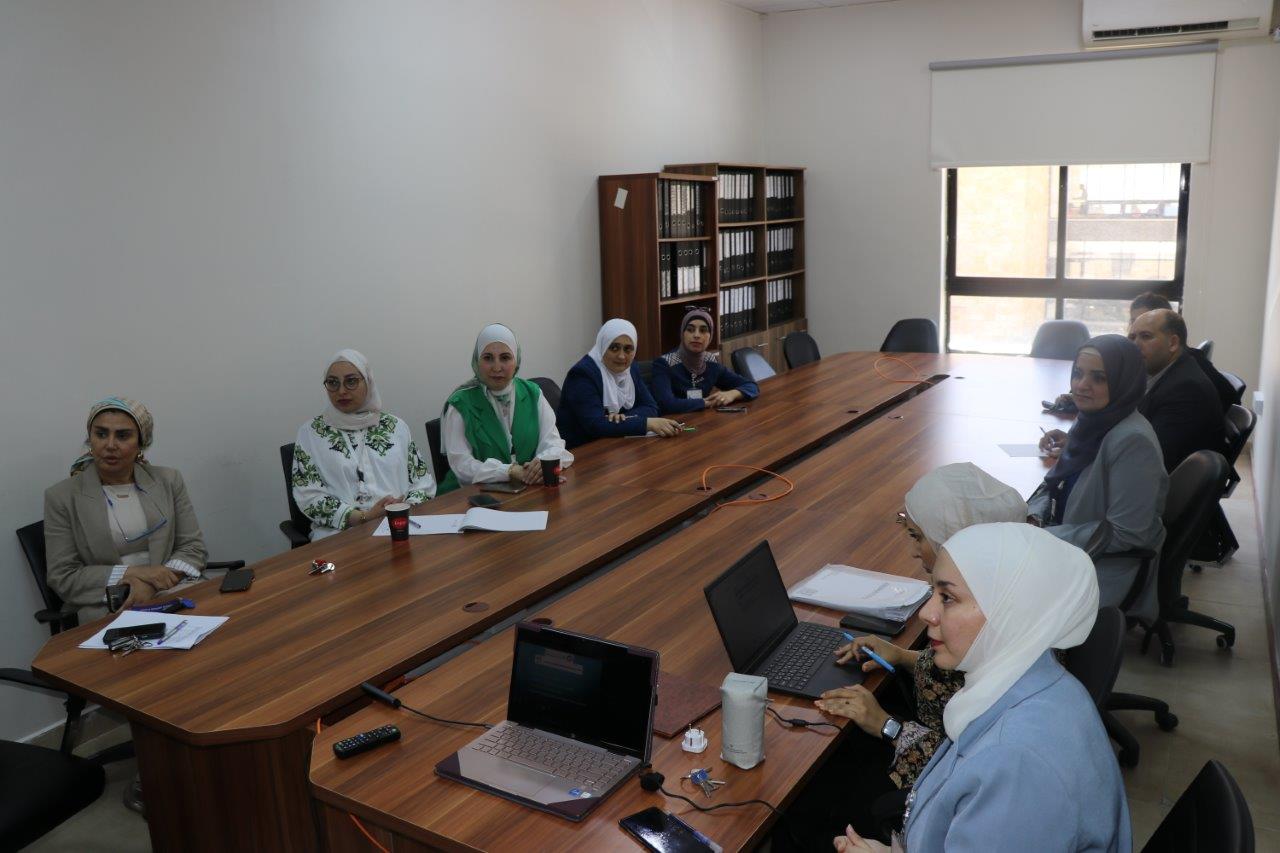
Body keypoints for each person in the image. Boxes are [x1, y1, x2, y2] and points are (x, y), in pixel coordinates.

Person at [833, 523, 1129, 853]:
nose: (927, 613)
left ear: (1008, 611)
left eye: (947, 597)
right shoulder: (1036, 681)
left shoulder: (1016, 764)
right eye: (933, 592)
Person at [784, 465, 1026, 846]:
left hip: (929, 779)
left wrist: (886, 725)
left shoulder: (991, 624)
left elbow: (963, 768)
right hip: (927, 733)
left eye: (917, 536)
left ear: (952, 538)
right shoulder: (1003, 596)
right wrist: (900, 656)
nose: (913, 549)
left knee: (810, 802)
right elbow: (959, 671)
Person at [1032, 335, 1166, 619]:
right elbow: (1062, 484)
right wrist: (1031, 518)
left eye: (1099, 378)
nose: (1081, 385)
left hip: (1100, 569)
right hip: (1072, 546)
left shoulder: (1133, 442)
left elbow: (1126, 533)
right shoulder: (1094, 420)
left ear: (1123, 382)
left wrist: (1042, 538)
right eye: (1077, 373)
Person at [44, 397, 208, 620]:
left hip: (174, 589)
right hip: (109, 604)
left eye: (122, 436)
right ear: (90, 438)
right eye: (101, 434)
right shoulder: (61, 497)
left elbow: (193, 548)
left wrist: (151, 585)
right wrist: (133, 575)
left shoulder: (169, 481)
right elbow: (63, 576)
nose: (110, 445)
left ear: (141, 443)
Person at [292, 349, 435, 539]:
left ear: (368, 381)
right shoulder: (311, 433)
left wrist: (401, 509)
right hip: (339, 534)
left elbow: (422, 484)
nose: (341, 391)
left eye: (351, 381)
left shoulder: (395, 427)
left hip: (400, 525)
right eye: (333, 383)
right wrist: (362, 518)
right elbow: (308, 495)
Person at [439, 324, 573, 493]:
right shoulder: (460, 403)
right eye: (488, 358)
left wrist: (540, 465)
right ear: (477, 361)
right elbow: (462, 466)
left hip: (526, 490)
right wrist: (509, 471)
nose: (497, 367)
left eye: (505, 357)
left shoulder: (533, 393)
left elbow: (553, 443)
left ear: (516, 360)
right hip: (469, 496)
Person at [555, 319, 681, 448]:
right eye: (614, 348)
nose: (621, 356)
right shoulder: (582, 374)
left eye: (628, 349)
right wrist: (646, 424)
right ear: (603, 345)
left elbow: (651, 407)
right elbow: (596, 425)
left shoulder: (631, 368)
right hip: (583, 450)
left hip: (617, 445)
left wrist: (623, 418)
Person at [1128, 309, 1226, 471]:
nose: (1135, 345)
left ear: (1173, 343)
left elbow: (1150, 457)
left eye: (1146, 336)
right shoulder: (1166, 371)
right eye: (1132, 337)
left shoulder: (1187, 390)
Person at [650, 308, 759, 414]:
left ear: (710, 336)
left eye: (703, 330)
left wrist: (733, 394)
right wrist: (704, 403)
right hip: (674, 422)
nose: (696, 335)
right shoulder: (664, 363)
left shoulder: (710, 361)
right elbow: (665, 404)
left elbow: (752, 386)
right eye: (690, 330)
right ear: (682, 333)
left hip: (702, 420)